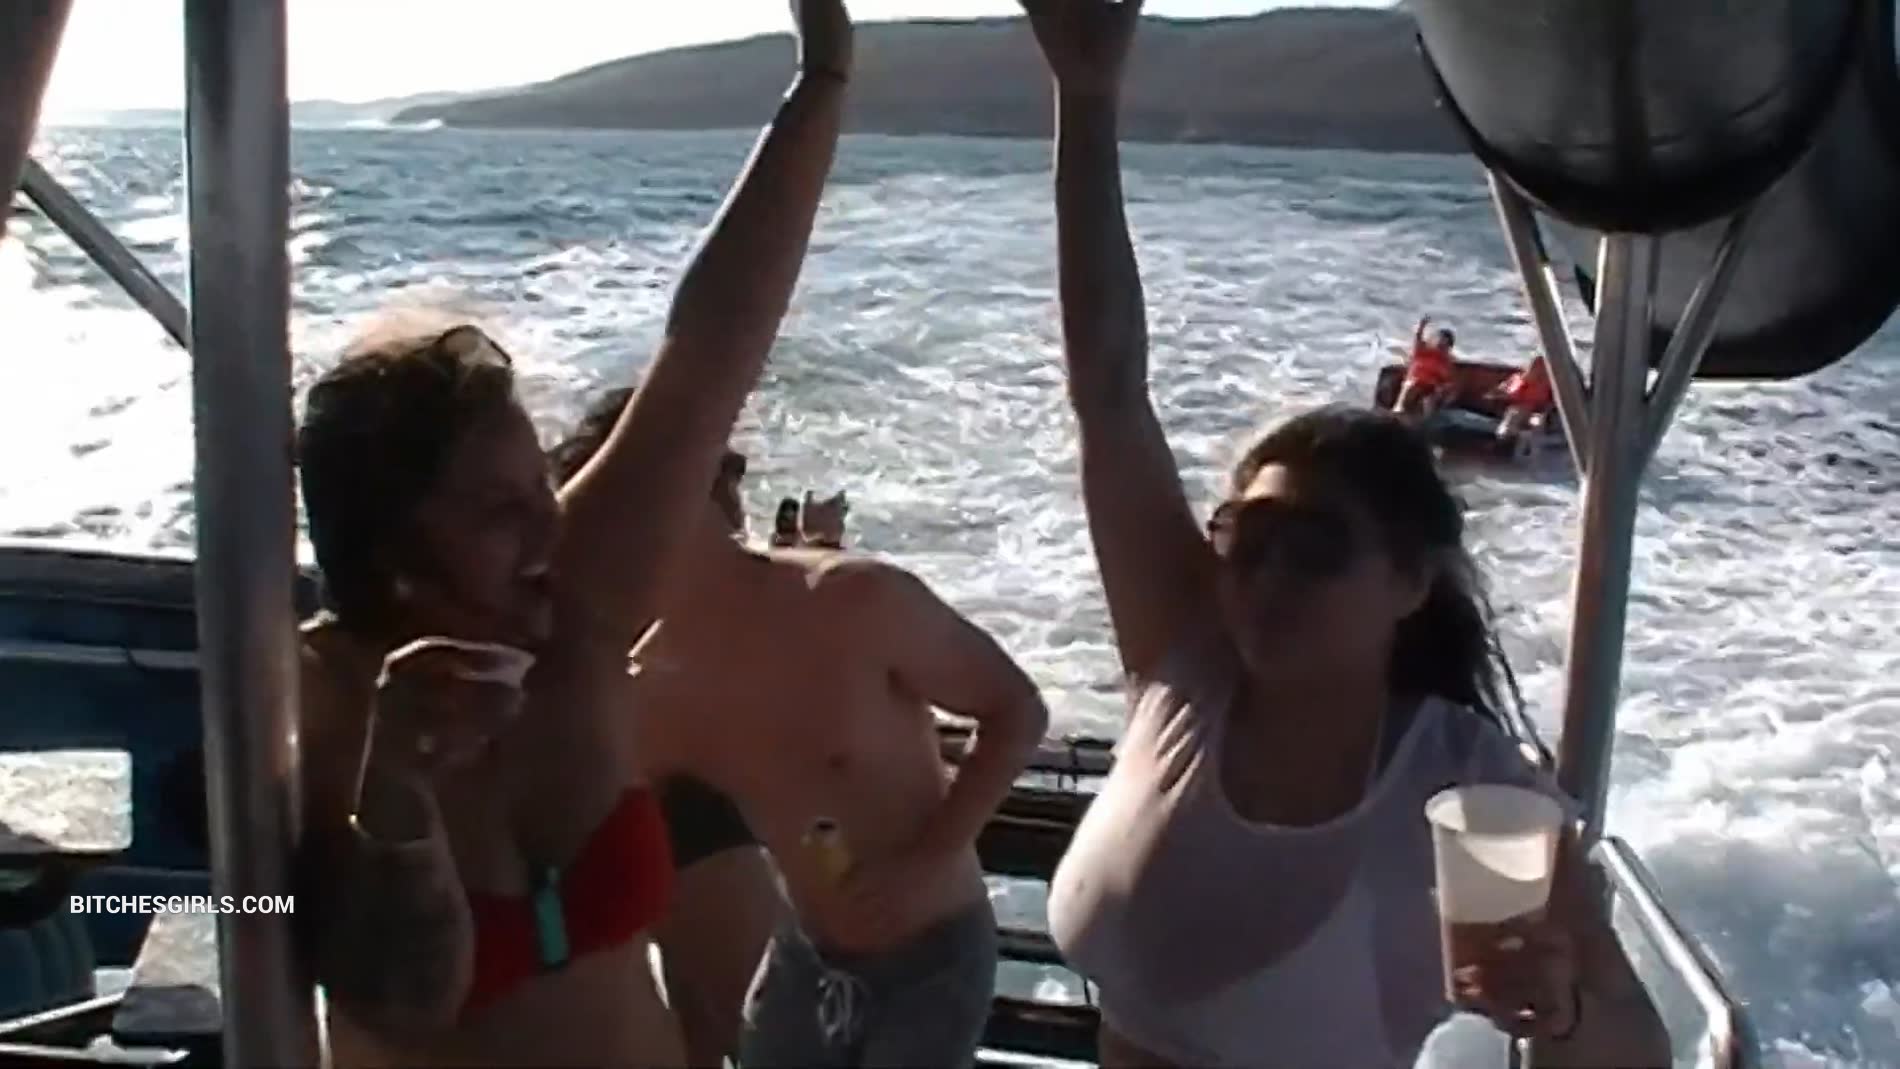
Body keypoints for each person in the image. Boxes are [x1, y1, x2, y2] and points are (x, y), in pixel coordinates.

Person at [1019, 4, 1672, 1067]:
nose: (1267, 572)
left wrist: (1556, 1009)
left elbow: (1634, 1049)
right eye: (1247, 535)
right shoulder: (1184, 663)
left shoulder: (1464, 791)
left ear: (1411, 581)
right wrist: (1085, 100)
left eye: (1318, 546)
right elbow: (1107, 389)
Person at [291, 4, 855, 1066]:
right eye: (500, 509)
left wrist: (824, 70)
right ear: (395, 553)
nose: (551, 520)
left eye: (539, 485)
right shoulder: (313, 714)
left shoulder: (570, 608)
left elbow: (708, 350)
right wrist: (398, 798)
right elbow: (402, 992)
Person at [552, 387, 1048, 1069]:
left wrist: (927, 860)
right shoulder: (653, 691)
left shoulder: (856, 601)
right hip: (804, 956)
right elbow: (592, 832)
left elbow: (1017, 711)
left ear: (702, 488)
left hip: (933, 953)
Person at [1394, 316, 1458, 421]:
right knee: (1409, 388)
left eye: (1445, 343)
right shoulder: (1422, 349)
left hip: (1430, 389)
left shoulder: (1447, 362)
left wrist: (1443, 390)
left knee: (1430, 401)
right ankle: (1398, 411)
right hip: (1414, 382)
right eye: (1440, 340)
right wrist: (1422, 326)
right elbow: (1418, 337)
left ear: (1449, 347)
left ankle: (1425, 422)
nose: (1441, 345)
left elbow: (1449, 383)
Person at [1492, 353, 1554, 452]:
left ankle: (1529, 444)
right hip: (1520, 407)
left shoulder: (1550, 384)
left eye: (1542, 369)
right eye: (1536, 367)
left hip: (1539, 411)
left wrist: (1546, 409)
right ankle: (1507, 437)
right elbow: (1508, 392)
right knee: (1515, 415)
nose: (1539, 372)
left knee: (1537, 422)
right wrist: (1501, 393)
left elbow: (1552, 401)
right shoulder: (1519, 380)